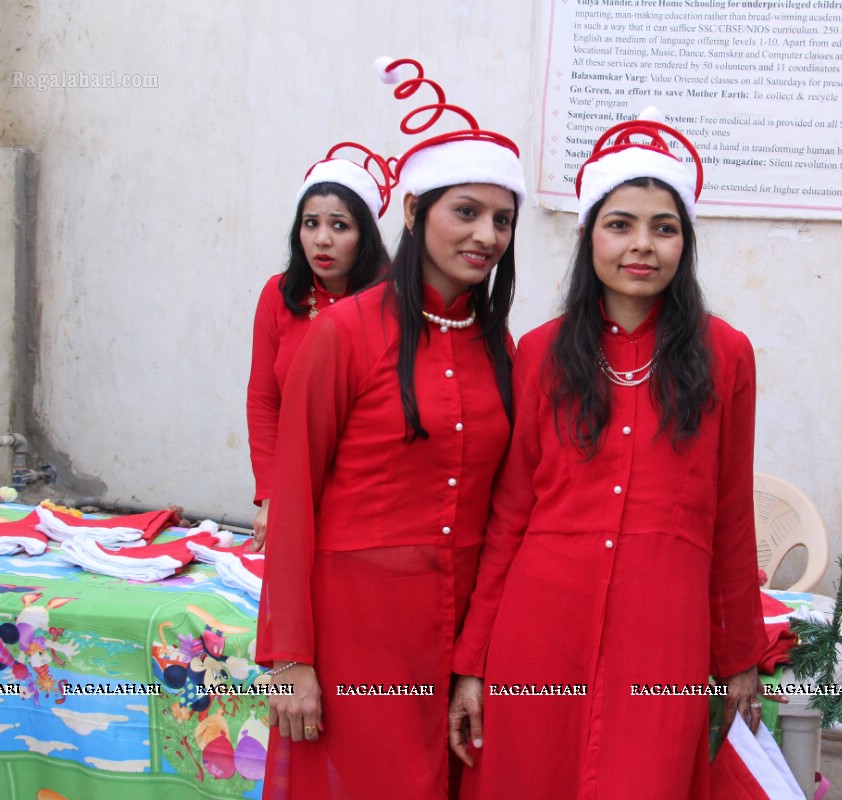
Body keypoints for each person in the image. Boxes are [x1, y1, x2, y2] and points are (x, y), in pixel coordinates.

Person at [449, 112, 770, 799]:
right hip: (540, 624)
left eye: (664, 227)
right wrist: (473, 664)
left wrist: (740, 655)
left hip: (663, 631)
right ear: (589, 235)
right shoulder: (539, 352)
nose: (642, 246)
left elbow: (731, 516)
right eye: (620, 224)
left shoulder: (726, 355)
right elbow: (508, 518)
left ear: (684, 242)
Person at [255, 58, 527, 799]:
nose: (486, 234)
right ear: (413, 212)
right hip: (357, 625)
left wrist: (479, 647)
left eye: (502, 219)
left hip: (463, 620)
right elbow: (294, 495)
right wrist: (289, 658)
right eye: (465, 211)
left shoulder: (499, 344)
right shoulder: (343, 333)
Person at [246, 147, 391, 550]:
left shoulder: (392, 302)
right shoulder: (279, 295)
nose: (322, 239)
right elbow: (264, 400)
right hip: (296, 482)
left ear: (365, 234)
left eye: (340, 226)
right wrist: (272, 497)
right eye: (311, 224)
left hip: (369, 492)